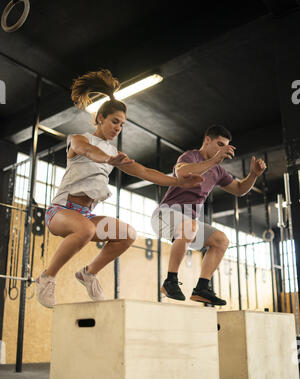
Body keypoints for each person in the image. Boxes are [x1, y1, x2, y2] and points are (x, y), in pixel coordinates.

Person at [36, 69, 203, 308]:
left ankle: (88, 274)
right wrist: (106, 159)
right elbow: (87, 151)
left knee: (128, 234)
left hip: (86, 216)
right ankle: (47, 277)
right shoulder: (78, 138)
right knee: (83, 230)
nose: (118, 128)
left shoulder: (115, 153)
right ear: (99, 118)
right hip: (60, 212)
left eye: (122, 125)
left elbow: (145, 172)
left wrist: (179, 182)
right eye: (114, 121)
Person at [151, 124, 266, 305]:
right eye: (219, 144)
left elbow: (238, 189)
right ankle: (170, 281)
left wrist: (253, 175)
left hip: (187, 225)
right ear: (207, 140)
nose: (223, 150)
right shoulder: (190, 156)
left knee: (221, 240)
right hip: (164, 216)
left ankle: (202, 288)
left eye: (225, 146)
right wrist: (215, 160)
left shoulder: (218, 171)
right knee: (189, 225)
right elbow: (182, 172)